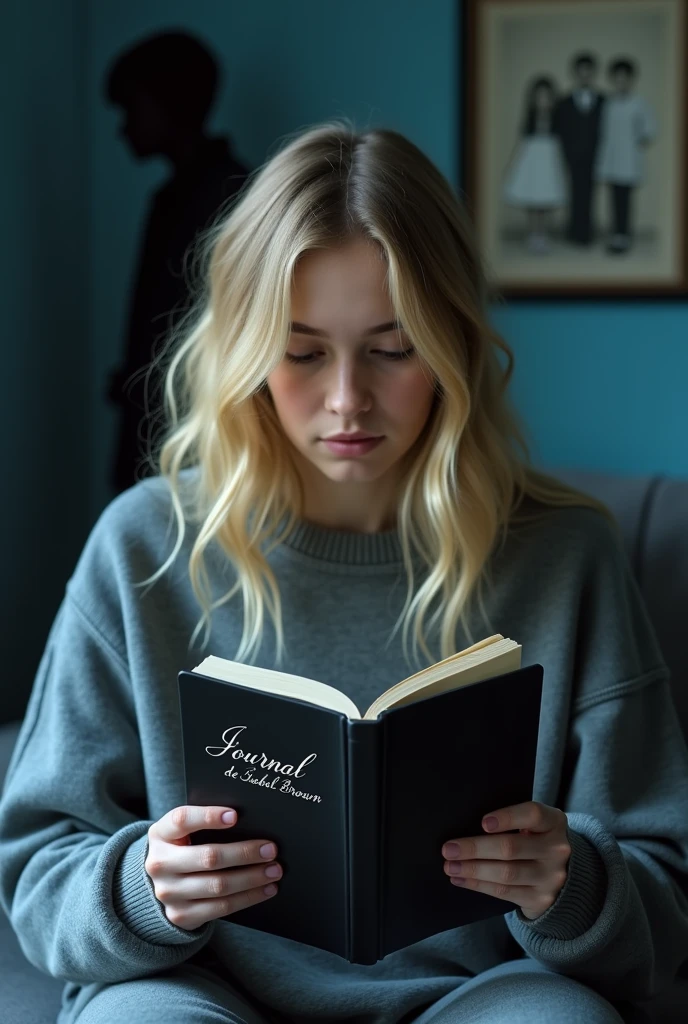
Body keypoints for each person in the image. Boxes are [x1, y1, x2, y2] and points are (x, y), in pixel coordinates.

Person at [1, 119, 688, 1024]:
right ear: (245, 352)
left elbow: (664, 896)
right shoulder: (144, 544)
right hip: (201, 990)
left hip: (485, 992)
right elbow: (41, 863)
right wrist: (141, 888)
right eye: (302, 351)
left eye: (393, 348)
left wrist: (570, 883)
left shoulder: (568, 556)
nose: (346, 399)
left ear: (451, 348)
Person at [104, 31, 251, 495]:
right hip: (160, 427)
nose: (123, 128)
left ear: (170, 103)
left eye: (133, 107)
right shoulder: (176, 198)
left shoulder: (229, 198)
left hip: (196, 435)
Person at [594, 57, 657, 255]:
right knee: (613, 199)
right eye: (617, 78)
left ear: (631, 79)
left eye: (625, 78)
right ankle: (615, 235)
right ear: (612, 80)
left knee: (625, 200)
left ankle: (624, 236)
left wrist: (637, 144)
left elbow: (650, 129)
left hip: (629, 160)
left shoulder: (639, 103)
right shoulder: (608, 103)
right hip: (611, 160)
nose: (621, 82)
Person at [502, 75, 567, 254]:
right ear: (533, 99)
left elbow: (560, 145)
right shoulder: (529, 120)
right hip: (532, 162)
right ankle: (532, 234)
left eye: (547, 97)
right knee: (532, 200)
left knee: (544, 200)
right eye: (539, 97)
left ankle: (542, 234)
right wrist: (512, 164)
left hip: (548, 162)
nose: (543, 101)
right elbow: (521, 143)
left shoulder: (557, 121)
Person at [553, 53, 606, 246]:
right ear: (575, 73)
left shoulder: (603, 100)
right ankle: (574, 231)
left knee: (591, 194)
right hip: (573, 155)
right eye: (581, 71)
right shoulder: (564, 102)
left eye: (588, 72)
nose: (584, 75)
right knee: (574, 192)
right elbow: (560, 129)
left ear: (593, 73)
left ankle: (587, 232)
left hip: (596, 155)